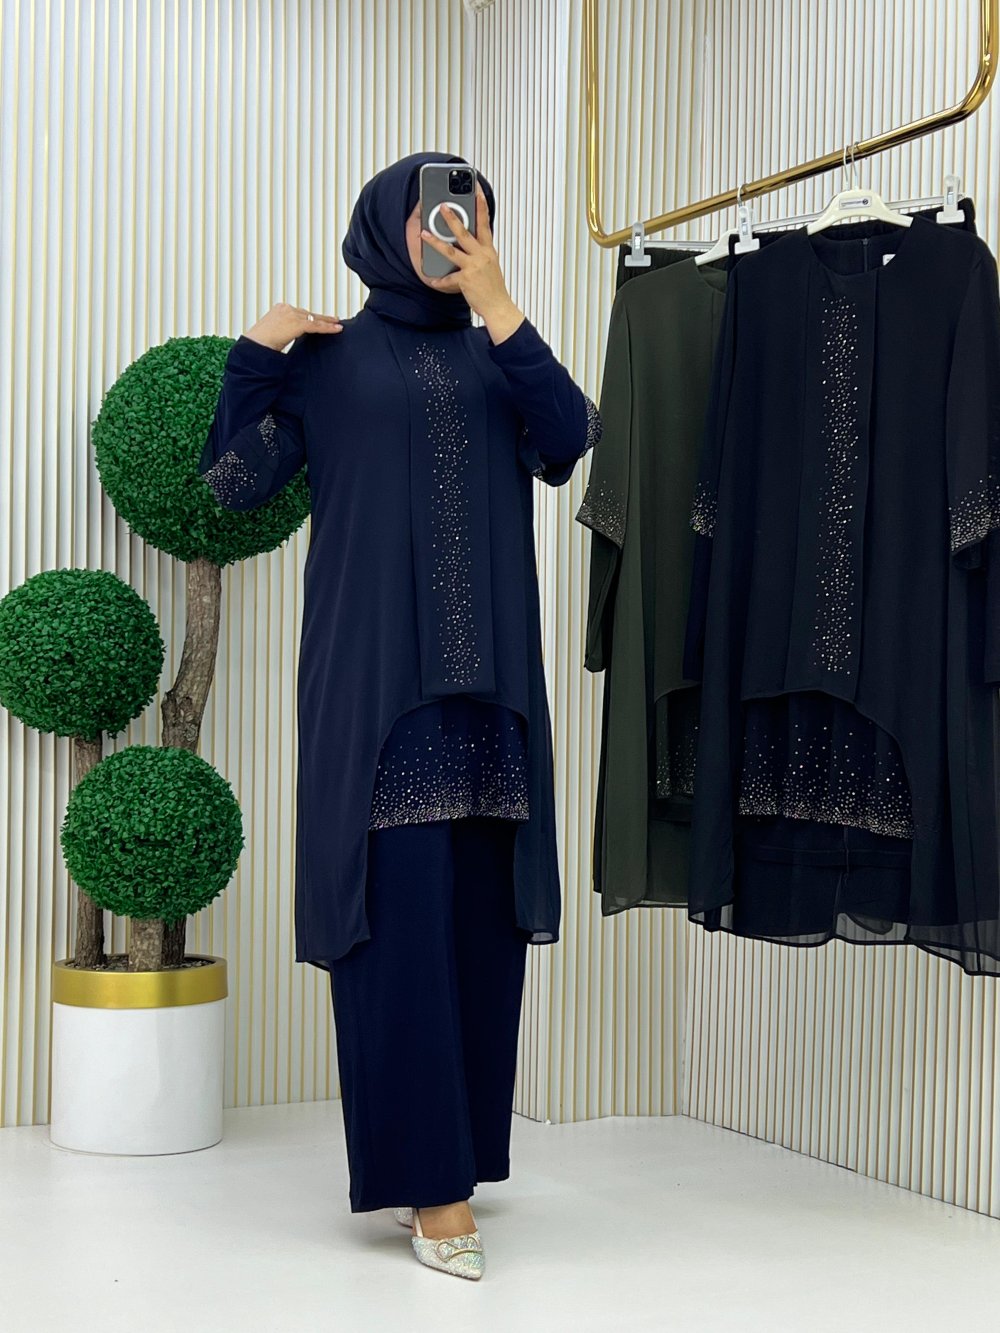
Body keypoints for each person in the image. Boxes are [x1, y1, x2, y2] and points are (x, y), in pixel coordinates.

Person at [197, 151, 599, 1280]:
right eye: (432, 214)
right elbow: (232, 486)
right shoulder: (330, 362)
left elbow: (569, 440)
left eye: (469, 214)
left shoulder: (499, 354)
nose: (449, 230)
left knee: (478, 931)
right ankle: (431, 1188)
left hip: (490, 697)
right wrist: (255, 356)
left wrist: (501, 304)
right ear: (387, 224)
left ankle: (455, 1157)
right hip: (377, 696)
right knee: (397, 930)